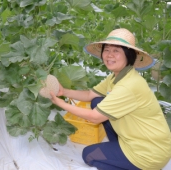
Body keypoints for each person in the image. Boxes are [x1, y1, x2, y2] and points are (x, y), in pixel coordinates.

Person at [50, 28, 171, 169]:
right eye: (107, 50)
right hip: (139, 140)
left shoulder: (128, 86)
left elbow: (95, 117)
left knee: (89, 155)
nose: (109, 55)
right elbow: (89, 95)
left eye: (116, 51)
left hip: (149, 152)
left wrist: (61, 104)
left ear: (128, 55)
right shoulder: (118, 76)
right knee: (97, 101)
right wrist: (63, 91)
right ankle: (119, 148)